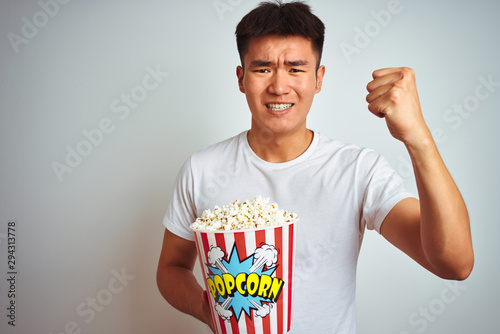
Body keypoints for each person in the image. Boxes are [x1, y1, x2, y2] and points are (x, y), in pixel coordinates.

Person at [156, 1, 474, 333]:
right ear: (241, 77)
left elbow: (455, 264)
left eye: (296, 68)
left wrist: (418, 138)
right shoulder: (202, 169)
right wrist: (207, 309)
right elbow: (171, 268)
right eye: (263, 68)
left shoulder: (357, 170)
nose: (279, 86)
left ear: (318, 78)